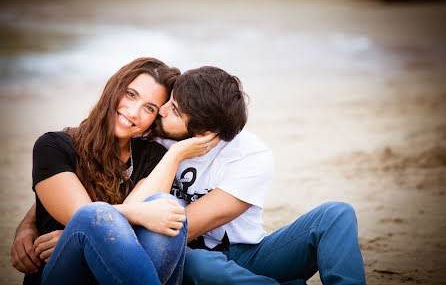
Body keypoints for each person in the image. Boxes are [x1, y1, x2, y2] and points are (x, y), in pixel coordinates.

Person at [13, 65, 367, 284]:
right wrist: (32, 224)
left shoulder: (251, 157)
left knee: (335, 214)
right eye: (160, 103)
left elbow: (179, 225)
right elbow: (71, 166)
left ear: (201, 131)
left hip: (234, 252)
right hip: (172, 256)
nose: (158, 111)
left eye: (169, 108)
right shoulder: (155, 131)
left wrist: (90, 229)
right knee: (195, 257)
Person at [12, 57, 219, 285]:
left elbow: (151, 220)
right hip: (62, 272)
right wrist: (137, 214)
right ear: (114, 87)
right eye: (131, 94)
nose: (132, 112)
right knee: (93, 214)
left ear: (155, 118)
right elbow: (83, 219)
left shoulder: (152, 157)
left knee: (169, 207)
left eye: (149, 108)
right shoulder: (53, 146)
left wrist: (176, 153)